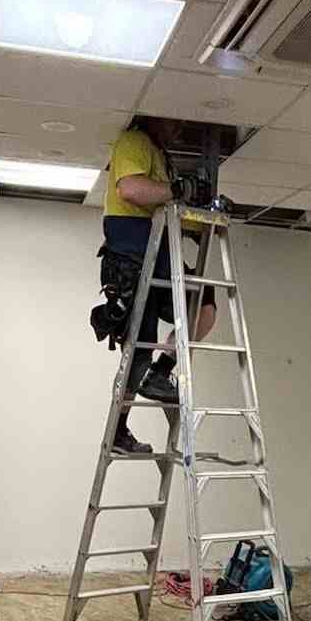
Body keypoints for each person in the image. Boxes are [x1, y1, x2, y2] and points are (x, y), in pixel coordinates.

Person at [98, 116, 218, 456]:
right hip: (134, 253)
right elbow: (131, 189)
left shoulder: (159, 154)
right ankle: (119, 430)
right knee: (138, 350)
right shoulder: (134, 141)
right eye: (173, 123)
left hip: (157, 246)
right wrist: (178, 190)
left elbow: (162, 204)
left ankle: (161, 371)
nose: (179, 130)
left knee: (202, 307)